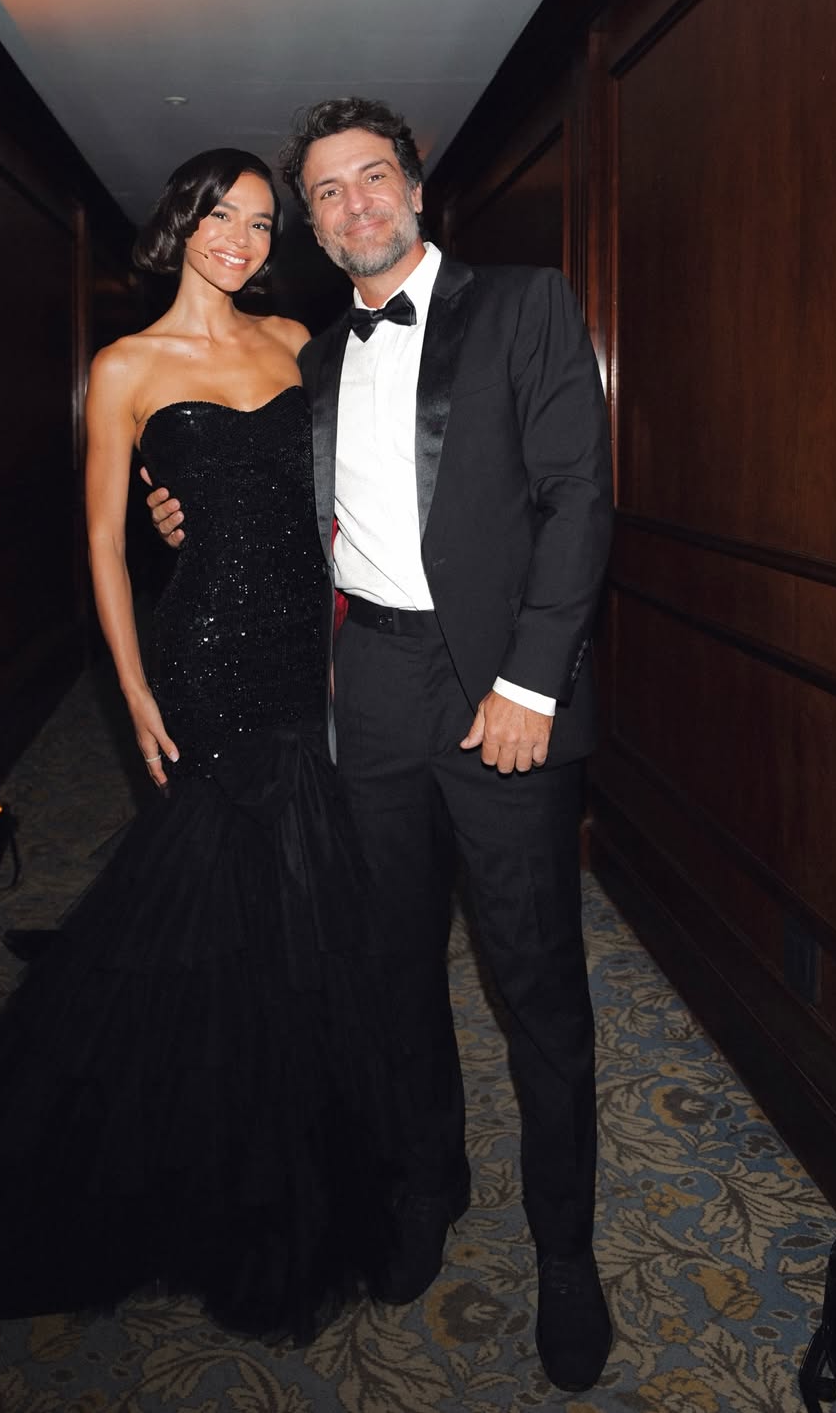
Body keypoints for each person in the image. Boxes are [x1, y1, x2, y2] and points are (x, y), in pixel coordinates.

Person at [0, 148, 401, 1344]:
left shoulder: (298, 339)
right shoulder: (126, 366)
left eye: (262, 221)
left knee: (296, 900)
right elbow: (101, 539)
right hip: (206, 657)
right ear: (180, 224)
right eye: (220, 215)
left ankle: (271, 1120)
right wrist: (133, 687)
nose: (241, 237)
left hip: (309, 648)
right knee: (227, 890)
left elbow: (351, 478)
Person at [146, 100, 615, 1392]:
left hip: (504, 686)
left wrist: (530, 681)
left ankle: (566, 1254)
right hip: (370, 688)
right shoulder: (307, 359)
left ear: (415, 184)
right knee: (393, 964)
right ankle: (426, 1185)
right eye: (326, 192)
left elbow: (579, 496)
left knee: (536, 981)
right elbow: (257, 494)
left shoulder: (524, 304)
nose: (353, 204)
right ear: (312, 223)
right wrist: (181, 510)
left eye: (371, 177)